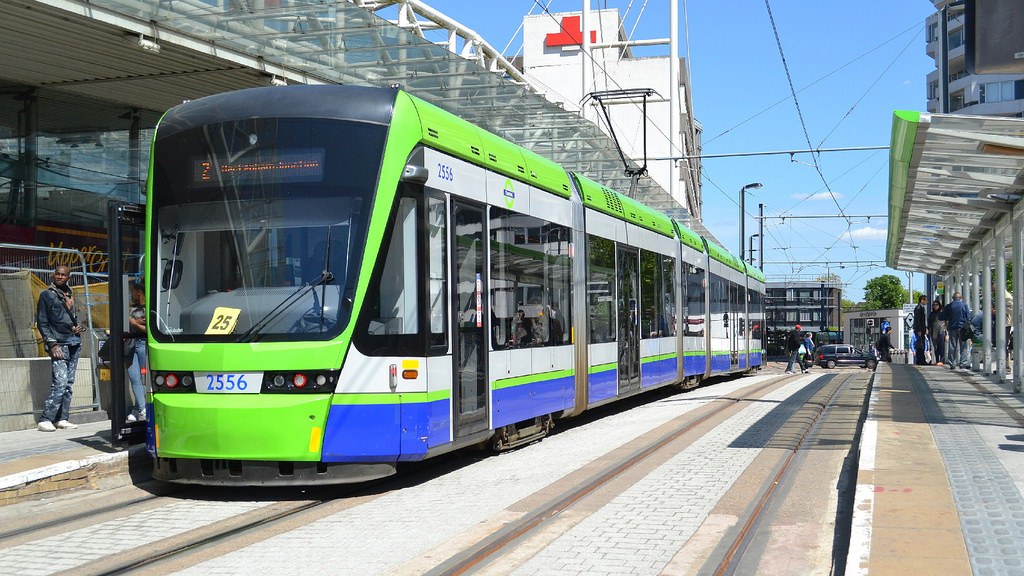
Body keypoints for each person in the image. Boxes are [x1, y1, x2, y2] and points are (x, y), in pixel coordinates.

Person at [36, 265, 84, 432]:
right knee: (61, 382)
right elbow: (42, 322)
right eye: (57, 274)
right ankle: (46, 419)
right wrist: (52, 344)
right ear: (53, 275)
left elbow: (71, 318)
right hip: (59, 343)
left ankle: (62, 418)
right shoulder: (47, 295)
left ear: (68, 277)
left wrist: (78, 327)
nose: (60, 277)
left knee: (69, 384)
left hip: (74, 342)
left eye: (63, 275)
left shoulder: (69, 294)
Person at [126, 279, 148, 422]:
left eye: (133, 291)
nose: (131, 294)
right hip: (130, 345)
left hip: (142, 344)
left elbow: (147, 329)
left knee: (144, 378)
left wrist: (134, 322)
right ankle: (142, 408)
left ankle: (138, 408)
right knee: (134, 377)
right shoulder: (131, 309)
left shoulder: (148, 308)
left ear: (139, 292)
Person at [940, 291, 971, 370]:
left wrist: (947, 320)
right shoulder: (964, 305)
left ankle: (951, 363)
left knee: (952, 346)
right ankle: (962, 363)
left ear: (953, 298)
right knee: (963, 345)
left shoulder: (949, 306)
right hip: (962, 328)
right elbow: (968, 317)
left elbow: (942, 316)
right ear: (960, 298)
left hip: (952, 328)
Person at [928, 300, 946, 366]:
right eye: (934, 305)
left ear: (939, 305)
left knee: (941, 346)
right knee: (935, 346)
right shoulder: (932, 314)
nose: (935, 306)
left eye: (937, 305)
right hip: (934, 332)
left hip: (941, 331)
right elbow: (929, 323)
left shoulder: (942, 313)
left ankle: (942, 360)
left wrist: (945, 324)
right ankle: (937, 360)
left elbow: (946, 320)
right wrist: (928, 330)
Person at [912, 295, 928, 365]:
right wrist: (919, 330)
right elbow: (918, 320)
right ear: (922, 300)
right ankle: (921, 360)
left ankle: (921, 359)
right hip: (919, 330)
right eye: (926, 300)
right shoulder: (918, 308)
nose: (927, 302)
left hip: (921, 329)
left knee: (921, 344)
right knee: (920, 345)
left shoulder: (921, 308)